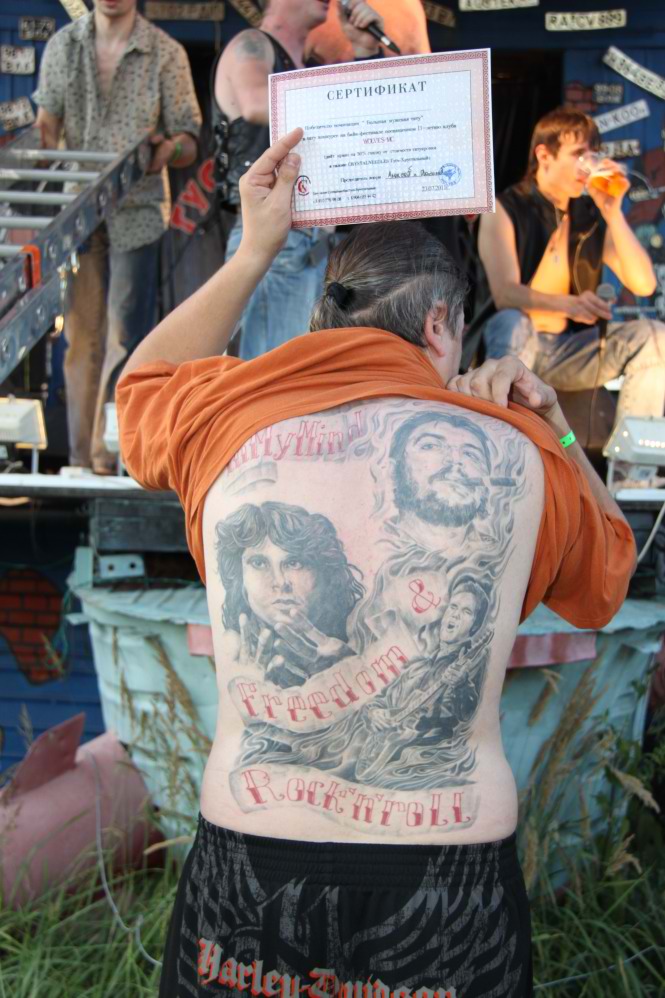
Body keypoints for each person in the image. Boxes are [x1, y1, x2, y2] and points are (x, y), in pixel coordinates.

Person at [116, 131, 636, 997]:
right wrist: (552, 424)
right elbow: (606, 580)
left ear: (327, 315)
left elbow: (141, 382)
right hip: (446, 871)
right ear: (440, 323)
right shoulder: (514, 450)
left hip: (252, 856)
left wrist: (253, 251)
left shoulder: (222, 418)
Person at [33, 0, 201, 474]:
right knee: (81, 335)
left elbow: (189, 138)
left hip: (138, 209)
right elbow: (47, 126)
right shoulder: (64, 45)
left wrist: (167, 150)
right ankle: (80, 460)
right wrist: (37, 146)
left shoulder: (165, 51)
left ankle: (110, 454)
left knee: (125, 337)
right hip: (79, 210)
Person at [478, 107, 665, 454]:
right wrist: (572, 305)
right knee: (512, 321)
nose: (588, 164)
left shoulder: (589, 216)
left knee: (655, 337)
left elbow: (644, 284)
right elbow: (505, 295)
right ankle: (501, 448)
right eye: (579, 153)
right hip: (516, 341)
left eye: (594, 153)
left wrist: (612, 213)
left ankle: (632, 469)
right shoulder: (506, 206)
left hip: (568, 349)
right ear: (544, 155)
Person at [211, 0, 385, 360]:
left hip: (315, 242)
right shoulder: (252, 44)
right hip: (276, 238)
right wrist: (344, 105)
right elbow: (254, 102)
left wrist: (364, 50)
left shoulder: (309, 67)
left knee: (301, 369)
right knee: (274, 371)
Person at [215, 500, 364, 686]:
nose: (280, 582)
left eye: (294, 563)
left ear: (324, 572)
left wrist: (354, 672)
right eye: (259, 563)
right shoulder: (231, 650)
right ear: (239, 578)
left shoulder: (364, 631)